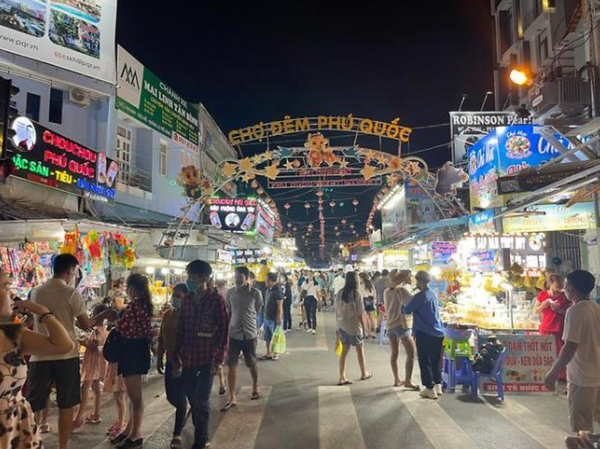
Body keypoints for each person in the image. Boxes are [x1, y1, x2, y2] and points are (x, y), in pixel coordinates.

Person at [27, 254, 102, 449]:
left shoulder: (35, 292)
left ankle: (31, 443)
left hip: (39, 354)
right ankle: (62, 446)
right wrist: (102, 316)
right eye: (75, 272)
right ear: (70, 270)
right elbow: (86, 324)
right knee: (65, 404)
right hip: (65, 355)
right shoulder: (71, 293)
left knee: (35, 404)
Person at [0, 268, 74, 449]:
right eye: (5, 287)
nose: (11, 294)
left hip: (17, 429)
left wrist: (44, 313)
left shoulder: (12, 334)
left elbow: (63, 345)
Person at [174, 260, 229, 449]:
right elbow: (181, 328)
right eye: (188, 276)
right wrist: (175, 354)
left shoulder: (216, 300)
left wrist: (219, 358)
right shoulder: (187, 300)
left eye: (193, 277)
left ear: (204, 278)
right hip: (188, 357)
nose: (189, 280)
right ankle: (201, 428)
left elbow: (223, 329)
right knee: (193, 399)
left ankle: (201, 440)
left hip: (207, 358)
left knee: (202, 401)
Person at [545, 270, 600, 434]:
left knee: (582, 427)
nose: (564, 288)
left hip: (581, 379)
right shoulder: (595, 308)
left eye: (566, 284)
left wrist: (553, 372)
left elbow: (570, 346)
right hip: (596, 375)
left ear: (573, 288)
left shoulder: (575, 311)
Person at [109, 274, 153, 449]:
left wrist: (115, 318)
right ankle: (129, 430)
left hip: (132, 352)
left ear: (133, 288)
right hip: (137, 351)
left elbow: (124, 328)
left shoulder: (135, 305)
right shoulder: (143, 304)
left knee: (135, 397)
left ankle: (137, 434)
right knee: (132, 395)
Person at [222, 266, 263, 412]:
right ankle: (232, 396)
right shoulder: (230, 293)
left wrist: (250, 322)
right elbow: (228, 312)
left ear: (246, 277)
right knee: (231, 364)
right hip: (234, 334)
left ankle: (255, 386)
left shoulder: (256, 293)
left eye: (239, 276)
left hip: (250, 334)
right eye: (235, 276)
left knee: (251, 362)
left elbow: (257, 311)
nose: (236, 278)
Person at [402, 271, 445, 400]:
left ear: (419, 281)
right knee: (435, 360)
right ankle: (438, 384)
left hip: (424, 332)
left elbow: (407, 310)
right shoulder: (432, 294)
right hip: (438, 332)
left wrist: (401, 305)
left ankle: (429, 388)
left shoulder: (420, 296)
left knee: (424, 360)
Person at [157, 283, 189, 449]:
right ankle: (185, 410)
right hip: (169, 360)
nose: (175, 299)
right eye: (174, 296)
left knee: (180, 396)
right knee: (171, 396)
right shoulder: (168, 314)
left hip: (184, 362)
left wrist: (182, 362)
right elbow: (161, 337)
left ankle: (177, 433)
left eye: (179, 296)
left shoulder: (189, 317)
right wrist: (159, 356)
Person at [73, 304, 109, 429]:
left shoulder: (97, 330)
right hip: (98, 362)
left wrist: (83, 342)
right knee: (95, 387)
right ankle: (96, 413)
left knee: (85, 388)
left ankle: (79, 418)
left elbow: (96, 345)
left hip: (92, 362)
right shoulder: (102, 329)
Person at [335, 271, 372, 385]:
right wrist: (365, 329)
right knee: (360, 350)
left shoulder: (340, 292)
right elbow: (360, 313)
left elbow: (336, 310)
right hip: (354, 327)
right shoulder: (356, 294)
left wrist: (337, 327)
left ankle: (342, 376)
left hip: (342, 325)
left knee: (344, 352)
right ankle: (364, 373)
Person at [385, 270, 418, 389]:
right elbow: (414, 301)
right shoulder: (402, 290)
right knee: (411, 353)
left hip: (390, 326)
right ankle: (408, 380)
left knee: (394, 353)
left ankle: (396, 379)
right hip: (400, 325)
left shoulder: (386, 291)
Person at [534, 273, 570, 379]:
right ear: (550, 283)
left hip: (560, 328)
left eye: (561, 283)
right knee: (546, 353)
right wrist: (544, 305)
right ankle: (546, 374)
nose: (560, 286)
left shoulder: (565, 295)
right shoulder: (542, 295)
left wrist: (560, 310)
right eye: (557, 283)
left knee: (560, 353)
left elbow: (570, 311)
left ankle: (561, 376)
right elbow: (536, 311)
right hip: (545, 327)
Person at [261, 272, 284, 361]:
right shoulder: (268, 290)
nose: (265, 281)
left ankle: (276, 353)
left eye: (266, 280)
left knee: (275, 337)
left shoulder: (278, 291)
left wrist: (279, 318)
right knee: (267, 337)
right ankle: (268, 353)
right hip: (267, 317)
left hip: (274, 319)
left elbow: (279, 307)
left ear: (270, 280)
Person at [359, 272, 376, 339]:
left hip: (363, 301)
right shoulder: (371, 284)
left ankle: (366, 333)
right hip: (371, 300)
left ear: (362, 278)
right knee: (371, 317)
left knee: (364, 317)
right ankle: (373, 333)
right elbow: (375, 294)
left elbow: (359, 294)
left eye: (360, 278)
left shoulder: (361, 285)